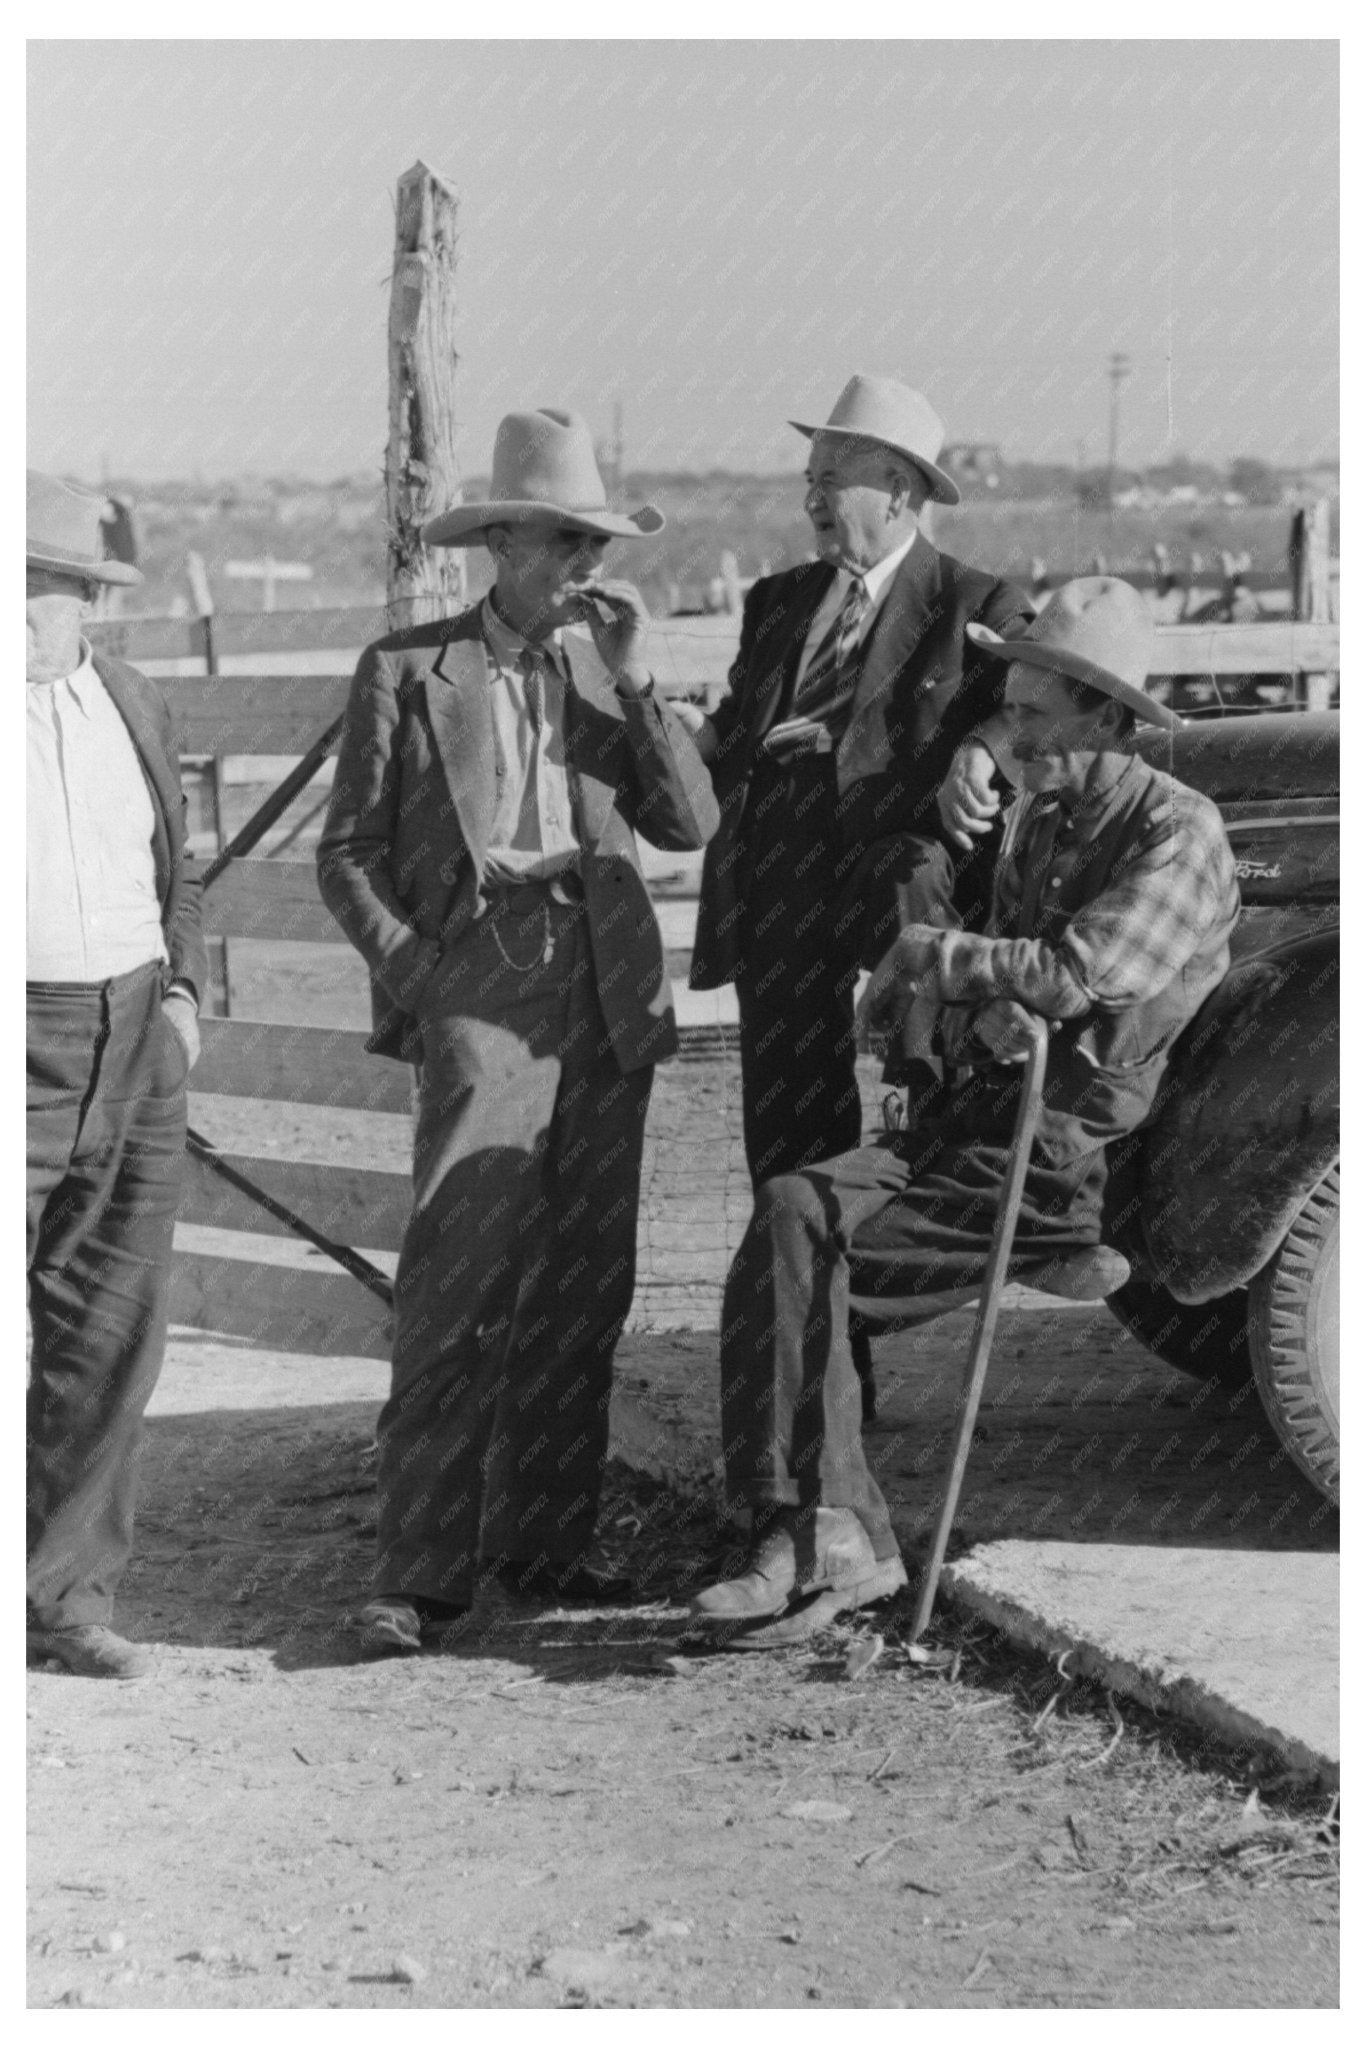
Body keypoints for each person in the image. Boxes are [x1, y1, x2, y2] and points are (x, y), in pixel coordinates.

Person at [690, 579, 1239, 1640]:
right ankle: (822, 1529)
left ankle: (813, 1532)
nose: (1014, 732)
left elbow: (1078, 971)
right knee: (790, 1211)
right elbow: (999, 977)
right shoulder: (1044, 817)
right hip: (977, 1123)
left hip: (1056, 1157)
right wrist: (950, 1003)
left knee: (812, 1266)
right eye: (1014, 708)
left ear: (1109, 718)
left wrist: (936, 956)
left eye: (1035, 714)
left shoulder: (1180, 831)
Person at [317, 409, 719, 1654]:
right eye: (558, 543)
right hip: (479, 977)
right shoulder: (406, 668)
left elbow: (693, 823)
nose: (580, 567)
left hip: (605, 987)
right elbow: (347, 854)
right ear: (498, 544)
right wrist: (422, 975)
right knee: (456, 1277)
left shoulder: (609, 671)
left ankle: (543, 1547)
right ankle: (418, 1573)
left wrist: (644, 681)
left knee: (583, 1280)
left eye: (590, 544)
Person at [680, 374, 1033, 1190]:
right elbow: (736, 726)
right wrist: (687, 729)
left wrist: (982, 746)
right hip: (779, 874)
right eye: (808, 482)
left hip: (896, 874)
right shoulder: (776, 602)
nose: (811, 500)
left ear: (900, 492)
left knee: (933, 1076)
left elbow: (1038, 703)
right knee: (786, 1112)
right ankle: (796, 1269)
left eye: (831, 481)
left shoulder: (971, 601)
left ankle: (931, 1170)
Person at [27, 470, 206, 1680]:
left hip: (136, 1033)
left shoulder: (130, 699)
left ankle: (67, 1595)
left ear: (89, 598)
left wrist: (184, 997)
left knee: (109, 1324)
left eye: (34, 591)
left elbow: (175, 865)